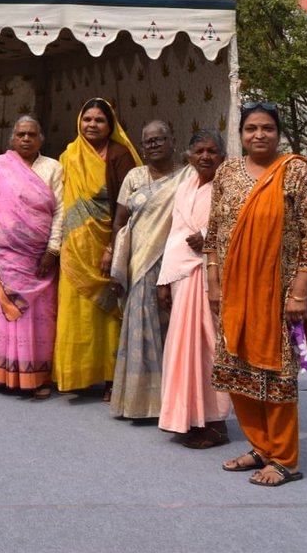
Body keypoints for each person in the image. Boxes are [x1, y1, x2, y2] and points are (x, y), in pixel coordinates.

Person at [208, 103, 307, 486]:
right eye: (251, 128)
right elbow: (213, 229)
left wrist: (300, 292)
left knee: (277, 374)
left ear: (278, 133)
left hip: (278, 293)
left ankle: (285, 459)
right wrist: (213, 280)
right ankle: (260, 447)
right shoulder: (227, 171)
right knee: (238, 370)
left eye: (268, 128)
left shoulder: (296, 171)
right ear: (240, 134)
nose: (259, 135)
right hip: (234, 289)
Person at [53, 98, 141, 398]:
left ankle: (111, 379)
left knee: (108, 313)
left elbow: (129, 207)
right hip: (74, 248)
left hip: (107, 244)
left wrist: (111, 248)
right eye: (87, 119)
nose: (91, 125)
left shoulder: (120, 155)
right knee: (74, 311)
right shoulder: (69, 155)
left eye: (99, 120)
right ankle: (75, 374)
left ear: (110, 125)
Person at [158, 131, 231, 447]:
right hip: (183, 279)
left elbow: (238, 228)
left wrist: (207, 238)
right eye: (199, 151)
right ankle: (188, 418)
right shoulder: (184, 186)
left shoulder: (228, 188)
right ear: (188, 155)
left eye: (212, 151)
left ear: (222, 156)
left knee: (210, 349)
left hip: (211, 280)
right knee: (182, 350)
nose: (205, 157)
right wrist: (164, 280)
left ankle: (216, 424)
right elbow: (174, 233)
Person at [0, 116, 63, 398]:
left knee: (37, 317)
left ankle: (36, 377)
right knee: (1, 315)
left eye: (31, 134)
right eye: (20, 134)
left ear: (41, 139)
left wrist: (53, 250)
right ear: (12, 139)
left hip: (38, 259)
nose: (26, 139)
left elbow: (61, 210)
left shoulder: (54, 168)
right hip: (2, 258)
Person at [108, 120, 185, 419]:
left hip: (175, 263)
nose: (153, 145)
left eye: (159, 139)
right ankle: (141, 403)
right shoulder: (134, 176)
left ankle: (174, 401)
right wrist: (117, 260)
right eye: (147, 142)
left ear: (172, 141)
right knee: (141, 332)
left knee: (174, 331)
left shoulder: (187, 176)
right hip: (140, 264)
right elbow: (119, 222)